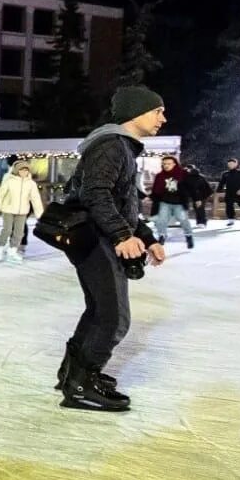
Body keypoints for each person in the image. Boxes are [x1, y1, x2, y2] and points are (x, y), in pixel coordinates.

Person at [55, 86, 167, 413]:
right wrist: (121, 235)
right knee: (114, 317)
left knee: (99, 312)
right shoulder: (111, 146)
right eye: (158, 111)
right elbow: (96, 195)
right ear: (137, 111)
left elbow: (123, 204)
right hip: (96, 239)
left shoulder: (121, 148)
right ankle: (81, 384)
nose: (163, 117)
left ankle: (73, 375)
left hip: (99, 237)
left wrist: (146, 237)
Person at [0, 160, 44, 263]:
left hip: (22, 211)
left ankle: (12, 251)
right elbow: (0, 195)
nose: (24, 172)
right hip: (8, 209)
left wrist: (40, 214)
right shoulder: (9, 181)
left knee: (19, 233)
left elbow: (36, 199)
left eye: (26, 170)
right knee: (7, 230)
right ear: (17, 171)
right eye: (21, 170)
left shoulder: (31, 184)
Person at [150, 155, 195, 249]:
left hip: (179, 202)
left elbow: (191, 187)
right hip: (165, 202)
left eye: (169, 164)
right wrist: (152, 197)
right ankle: (162, 235)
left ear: (174, 164)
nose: (166, 165)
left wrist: (195, 198)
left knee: (183, 220)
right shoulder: (160, 176)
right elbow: (155, 190)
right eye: (164, 164)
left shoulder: (183, 174)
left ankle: (188, 236)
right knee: (161, 220)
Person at [183, 163, 213, 227]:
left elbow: (196, 189)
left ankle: (202, 222)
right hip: (198, 194)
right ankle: (200, 221)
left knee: (199, 207)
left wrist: (198, 199)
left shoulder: (195, 177)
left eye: (187, 169)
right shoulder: (189, 176)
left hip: (202, 194)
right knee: (197, 207)